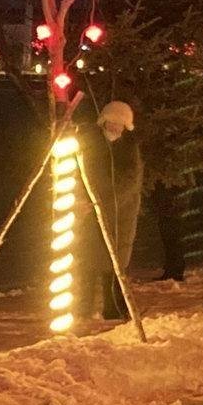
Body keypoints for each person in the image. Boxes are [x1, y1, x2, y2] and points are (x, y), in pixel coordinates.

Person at [83, 101, 146, 317]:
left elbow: (129, 183)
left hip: (120, 213)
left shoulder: (129, 149)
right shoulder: (91, 143)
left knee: (116, 263)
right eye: (111, 123)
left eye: (120, 125)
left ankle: (115, 308)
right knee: (87, 261)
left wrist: (102, 202)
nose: (114, 128)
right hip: (90, 210)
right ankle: (82, 308)